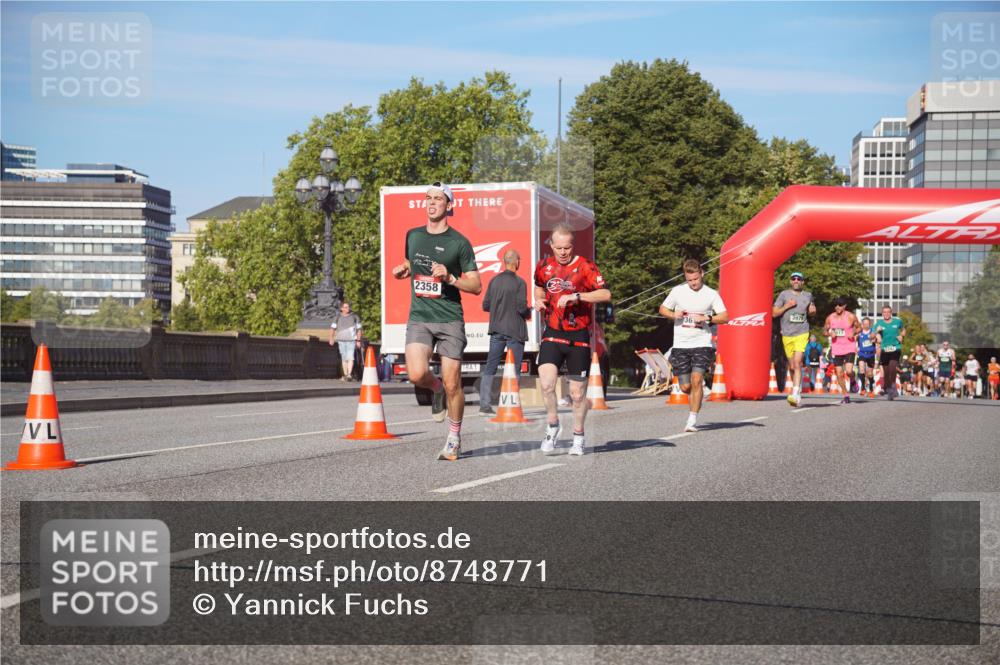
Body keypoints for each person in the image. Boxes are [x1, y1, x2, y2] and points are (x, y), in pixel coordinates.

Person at [390, 182, 481, 461]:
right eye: (428, 198)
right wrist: (404, 269)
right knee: (416, 374)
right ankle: (436, 389)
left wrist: (451, 278)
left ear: (449, 205)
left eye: (438, 199)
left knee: (454, 383)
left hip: (450, 319)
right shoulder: (413, 235)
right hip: (420, 316)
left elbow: (476, 285)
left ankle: (454, 438)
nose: (431, 203)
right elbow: (411, 261)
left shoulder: (459, 243)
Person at [534, 223, 611, 455]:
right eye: (558, 248)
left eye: (567, 248)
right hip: (553, 333)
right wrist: (539, 300)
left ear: (572, 246)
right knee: (547, 384)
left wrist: (577, 296)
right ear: (551, 245)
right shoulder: (544, 266)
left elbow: (605, 294)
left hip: (578, 336)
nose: (563, 252)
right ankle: (553, 425)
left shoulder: (585, 266)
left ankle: (578, 436)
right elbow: (539, 287)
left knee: (577, 394)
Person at [659, 260, 729, 432]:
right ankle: (697, 391)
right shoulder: (678, 291)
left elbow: (725, 317)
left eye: (696, 279)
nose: (693, 283)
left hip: (702, 343)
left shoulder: (711, 294)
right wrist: (673, 314)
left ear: (702, 274)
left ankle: (692, 419)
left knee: (696, 379)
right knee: (685, 387)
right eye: (689, 280)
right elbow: (662, 309)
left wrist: (708, 318)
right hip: (681, 344)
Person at [478, 249, 531, 416]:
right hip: (515, 330)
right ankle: (511, 404)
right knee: (514, 369)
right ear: (516, 262)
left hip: (496, 330)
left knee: (490, 367)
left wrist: (498, 307)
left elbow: (486, 305)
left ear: (504, 262)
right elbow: (521, 308)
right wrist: (529, 311)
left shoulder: (494, 281)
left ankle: (484, 406)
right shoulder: (520, 283)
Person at [772, 272, 816, 406]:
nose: (796, 281)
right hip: (787, 334)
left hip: (802, 333)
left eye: (799, 279)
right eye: (794, 279)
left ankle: (795, 393)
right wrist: (787, 306)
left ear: (802, 282)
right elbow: (774, 313)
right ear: (791, 281)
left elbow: (812, 312)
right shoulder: (784, 295)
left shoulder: (808, 295)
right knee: (791, 366)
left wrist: (812, 312)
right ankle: (797, 388)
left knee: (797, 363)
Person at [823, 297, 860, 404]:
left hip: (849, 347)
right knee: (839, 373)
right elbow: (824, 331)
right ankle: (845, 395)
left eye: (840, 305)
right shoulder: (830, 318)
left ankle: (852, 380)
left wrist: (854, 332)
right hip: (837, 348)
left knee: (848, 371)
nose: (837, 307)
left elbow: (859, 328)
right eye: (836, 305)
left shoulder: (851, 316)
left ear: (844, 306)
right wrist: (830, 333)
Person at [872, 305, 906, 400]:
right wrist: (876, 332)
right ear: (882, 313)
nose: (886, 314)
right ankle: (889, 389)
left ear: (891, 313)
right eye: (884, 312)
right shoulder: (879, 323)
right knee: (886, 372)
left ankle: (893, 386)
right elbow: (871, 336)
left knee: (892, 367)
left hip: (895, 348)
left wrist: (901, 336)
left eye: (888, 312)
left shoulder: (897, 321)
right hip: (884, 350)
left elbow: (903, 330)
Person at [329, 301, 363, 381]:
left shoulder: (354, 316)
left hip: (351, 340)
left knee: (350, 357)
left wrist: (358, 340)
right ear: (341, 308)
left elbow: (359, 329)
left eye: (348, 307)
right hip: (341, 340)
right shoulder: (337, 317)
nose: (347, 308)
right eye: (345, 307)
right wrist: (331, 338)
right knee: (344, 358)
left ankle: (349, 375)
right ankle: (345, 374)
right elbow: (332, 328)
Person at [855, 317, 877, 396]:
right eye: (864, 324)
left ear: (870, 324)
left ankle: (871, 387)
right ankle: (863, 388)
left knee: (869, 373)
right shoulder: (859, 333)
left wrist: (875, 340)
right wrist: (856, 346)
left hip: (870, 354)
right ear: (862, 324)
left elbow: (877, 340)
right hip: (861, 353)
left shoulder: (873, 332)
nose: (866, 325)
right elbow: (853, 339)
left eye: (867, 324)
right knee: (861, 369)